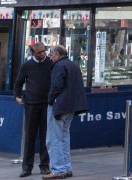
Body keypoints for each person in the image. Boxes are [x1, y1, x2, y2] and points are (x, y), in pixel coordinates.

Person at [44, 44, 88, 180]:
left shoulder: (59, 66)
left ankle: (58, 169)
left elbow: (56, 86)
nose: (50, 57)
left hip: (60, 105)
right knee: (64, 137)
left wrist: (50, 100)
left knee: (53, 139)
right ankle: (66, 168)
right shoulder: (73, 65)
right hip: (71, 106)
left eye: (51, 54)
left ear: (57, 54)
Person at [14, 43, 52, 177]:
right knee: (30, 136)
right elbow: (18, 82)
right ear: (32, 54)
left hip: (47, 104)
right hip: (31, 104)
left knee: (45, 136)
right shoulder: (27, 65)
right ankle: (27, 167)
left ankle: (44, 166)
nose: (42, 54)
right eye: (38, 53)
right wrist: (17, 96)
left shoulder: (51, 63)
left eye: (43, 51)